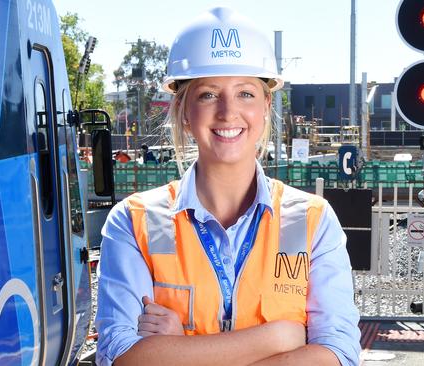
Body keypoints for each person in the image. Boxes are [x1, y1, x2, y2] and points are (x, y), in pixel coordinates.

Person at [95, 7, 360, 366]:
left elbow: (338, 354)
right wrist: (278, 337)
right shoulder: (135, 221)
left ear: (266, 105)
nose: (227, 112)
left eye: (246, 94)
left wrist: (180, 350)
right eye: (207, 94)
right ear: (184, 110)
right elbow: (123, 357)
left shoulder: (311, 220)